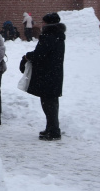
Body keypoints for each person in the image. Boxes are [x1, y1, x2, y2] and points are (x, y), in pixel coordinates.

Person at [20, 11, 66, 140]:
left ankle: (53, 130)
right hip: (55, 74)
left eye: (43, 22)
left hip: (47, 74)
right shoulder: (59, 36)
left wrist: (28, 56)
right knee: (52, 102)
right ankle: (52, 128)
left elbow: (40, 54)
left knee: (48, 103)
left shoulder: (48, 36)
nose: (42, 24)